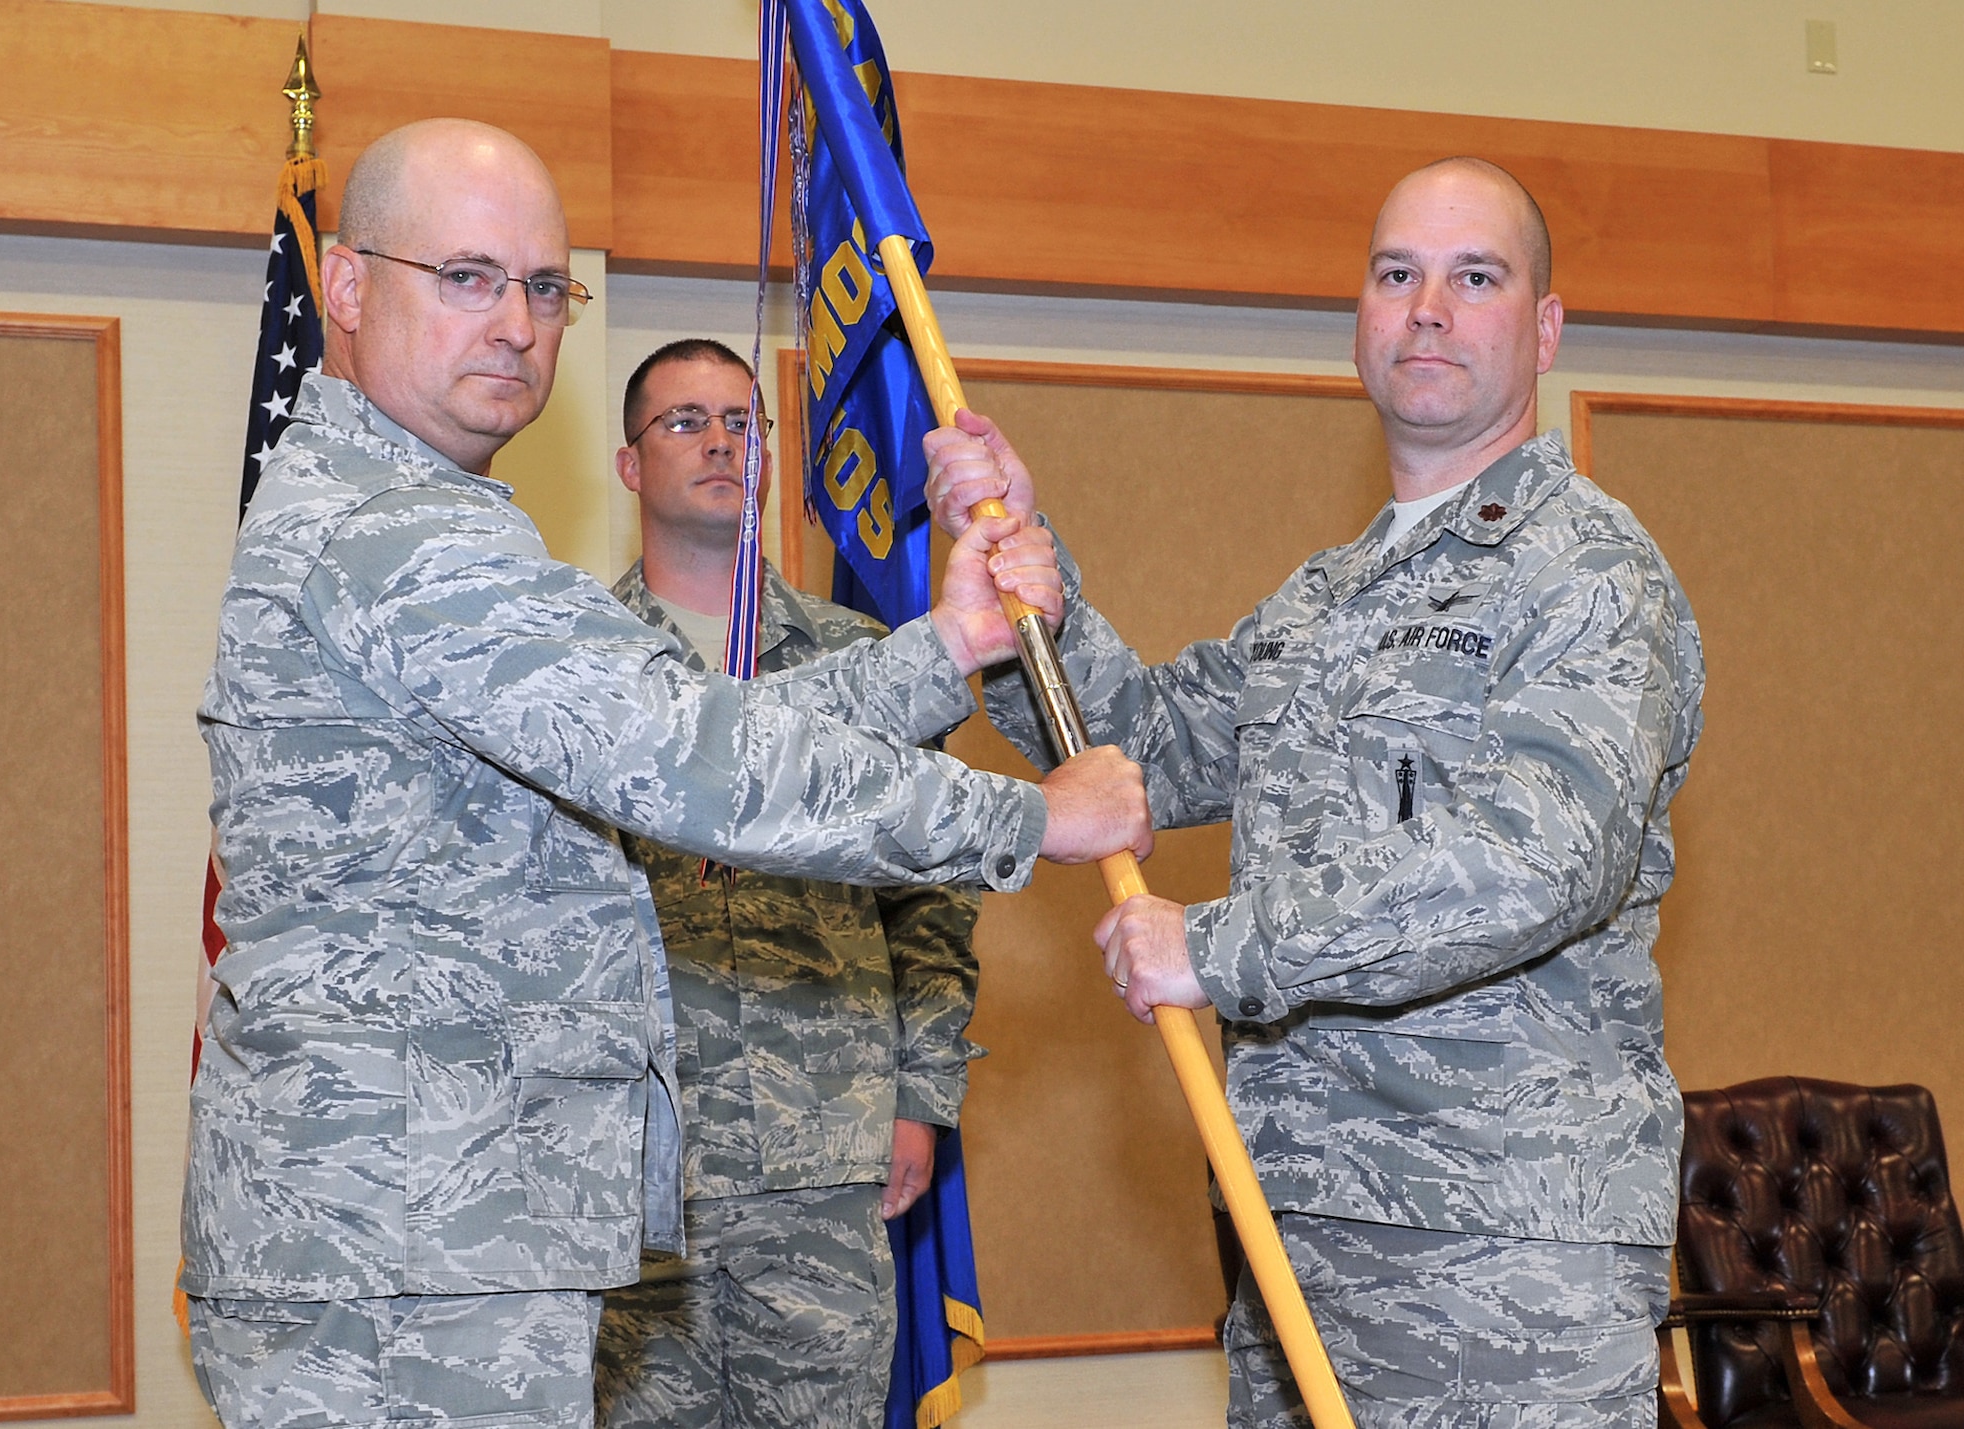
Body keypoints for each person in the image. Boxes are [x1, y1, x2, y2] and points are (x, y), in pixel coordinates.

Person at [182, 119, 1149, 1429]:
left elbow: (680, 719)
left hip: (438, 1234)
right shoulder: (396, 535)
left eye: (542, 286)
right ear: (346, 287)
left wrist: (945, 651)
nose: (517, 324)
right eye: (466, 276)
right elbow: (693, 761)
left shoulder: (424, 516)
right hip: (402, 1260)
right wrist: (1031, 815)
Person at [927, 157, 1705, 1427]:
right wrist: (1031, 583)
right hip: (1296, 1227)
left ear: (1545, 329)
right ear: (1359, 320)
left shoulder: (1585, 573)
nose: (1427, 307)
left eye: (1473, 276)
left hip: (1496, 1249)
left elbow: (1536, 858)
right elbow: (1143, 744)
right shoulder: (1328, 597)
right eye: (1395, 274)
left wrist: (1216, 947)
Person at [588, 339, 980, 1428]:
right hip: (636, 1165)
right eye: (684, 421)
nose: (720, 442)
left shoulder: (864, 659)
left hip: (824, 1148)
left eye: (742, 423)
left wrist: (921, 1093)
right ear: (629, 465)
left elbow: (935, 898)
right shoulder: (582, 673)